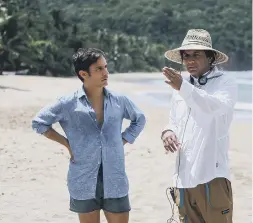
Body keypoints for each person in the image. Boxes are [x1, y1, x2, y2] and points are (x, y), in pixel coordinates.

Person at [32, 48, 146, 223]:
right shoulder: (67, 103)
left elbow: (139, 119)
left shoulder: (120, 101)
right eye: (99, 69)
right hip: (83, 178)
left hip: (115, 178)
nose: (106, 72)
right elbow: (39, 122)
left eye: (106, 67)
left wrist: (123, 139)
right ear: (83, 74)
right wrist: (67, 144)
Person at [161, 29, 237, 223]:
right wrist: (168, 132)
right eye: (186, 56)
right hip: (183, 177)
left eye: (197, 55)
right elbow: (174, 120)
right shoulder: (181, 85)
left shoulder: (225, 83)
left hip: (212, 175)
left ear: (210, 57)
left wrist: (183, 87)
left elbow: (213, 106)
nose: (190, 60)